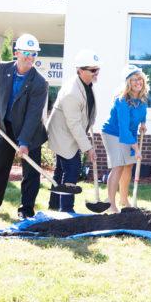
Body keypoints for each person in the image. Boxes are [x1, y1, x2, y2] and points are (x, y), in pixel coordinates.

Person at [0, 33, 49, 220]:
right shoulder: (3, 69)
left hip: (31, 132)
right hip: (5, 127)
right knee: (0, 169)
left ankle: (26, 210)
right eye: (26, 52)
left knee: (30, 174)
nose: (30, 57)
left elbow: (33, 116)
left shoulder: (40, 82)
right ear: (17, 52)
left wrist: (25, 142)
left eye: (34, 53)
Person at [46, 49, 101, 213]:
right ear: (80, 70)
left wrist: (90, 123)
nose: (96, 73)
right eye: (93, 70)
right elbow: (74, 124)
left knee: (61, 170)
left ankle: (55, 205)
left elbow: (86, 111)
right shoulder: (72, 92)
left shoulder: (86, 84)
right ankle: (66, 209)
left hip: (70, 131)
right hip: (63, 134)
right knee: (73, 167)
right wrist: (88, 148)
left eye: (97, 69)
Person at [101, 65, 148, 213]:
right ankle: (111, 204)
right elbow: (123, 128)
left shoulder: (142, 99)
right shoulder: (122, 101)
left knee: (128, 165)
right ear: (128, 82)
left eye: (140, 78)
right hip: (114, 133)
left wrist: (143, 123)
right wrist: (136, 148)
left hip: (130, 133)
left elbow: (142, 113)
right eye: (134, 79)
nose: (137, 82)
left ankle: (123, 199)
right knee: (119, 166)